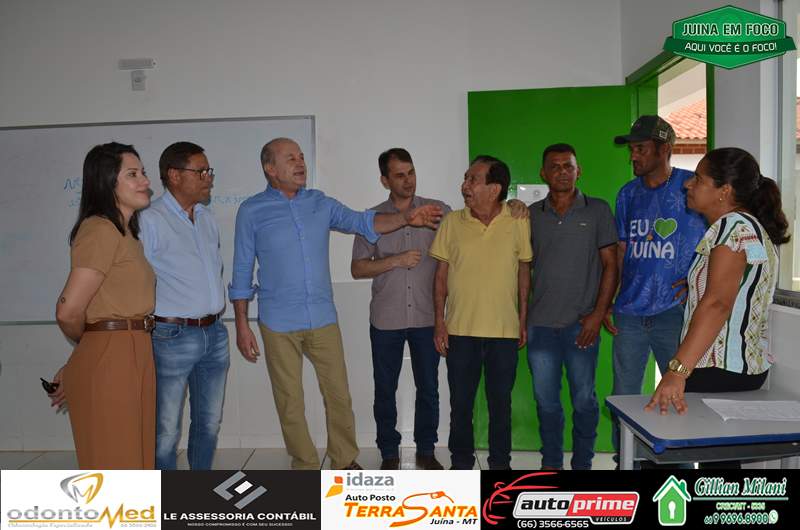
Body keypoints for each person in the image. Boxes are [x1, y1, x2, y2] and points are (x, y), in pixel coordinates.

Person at [230, 137, 442, 470]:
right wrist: (242, 324)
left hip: (322, 316)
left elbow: (363, 222)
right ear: (270, 168)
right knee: (290, 402)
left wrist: (405, 218)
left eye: (301, 156)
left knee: (339, 396)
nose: (300, 163)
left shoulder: (320, 202)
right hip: (277, 320)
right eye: (290, 158)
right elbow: (242, 269)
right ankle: (305, 465)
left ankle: (343, 461)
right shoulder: (251, 211)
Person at [646, 147, 788, 420]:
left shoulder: (731, 227)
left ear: (724, 191)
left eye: (698, 179)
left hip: (716, 369)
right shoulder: (750, 227)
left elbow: (718, 304)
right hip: (742, 369)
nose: (688, 184)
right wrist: (696, 285)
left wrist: (677, 371)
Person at [49, 142, 156, 469]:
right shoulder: (99, 230)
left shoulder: (126, 234)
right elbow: (68, 311)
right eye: (132, 174)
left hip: (135, 348)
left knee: (136, 462)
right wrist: (94, 348)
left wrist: (93, 349)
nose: (145, 181)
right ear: (107, 182)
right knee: (116, 464)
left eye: (143, 173)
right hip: (115, 354)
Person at [609, 116, 707, 454]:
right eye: (632, 149)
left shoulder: (690, 188)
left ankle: (680, 462)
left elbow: (717, 242)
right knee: (624, 397)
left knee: (679, 396)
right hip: (629, 312)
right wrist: (611, 300)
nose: (633, 156)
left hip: (674, 312)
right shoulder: (627, 194)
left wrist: (697, 282)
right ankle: (626, 459)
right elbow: (622, 251)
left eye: (641, 148)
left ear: (665, 149)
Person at [430, 155, 532, 470]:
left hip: (504, 332)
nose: (465, 185)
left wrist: (522, 319)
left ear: (494, 188)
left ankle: (500, 465)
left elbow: (524, 271)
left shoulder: (517, 220)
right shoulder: (452, 222)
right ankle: (461, 464)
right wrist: (439, 322)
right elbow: (440, 276)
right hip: (460, 331)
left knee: (500, 405)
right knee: (460, 405)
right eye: (465, 178)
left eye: (472, 179)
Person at [351, 148, 451, 470]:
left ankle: (426, 450)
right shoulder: (372, 219)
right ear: (385, 180)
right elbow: (357, 268)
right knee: (385, 389)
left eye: (411, 173)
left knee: (429, 388)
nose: (408, 181)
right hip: (386, 319)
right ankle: (389, 453)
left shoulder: (439, 212)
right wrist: (395, 260)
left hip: (427, 317)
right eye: (399, 175)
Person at [526, 143, 618, 470]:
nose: (562, 172)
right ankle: (551, 465)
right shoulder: (531, 215)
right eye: (555, 166)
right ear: (543, 173)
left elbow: (611, 265)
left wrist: (597, 314)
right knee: (546, 403)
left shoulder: (598, 210)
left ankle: (582, 465)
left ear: (579, 171)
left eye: (568, 166)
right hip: (540, 326)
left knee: (583, 400)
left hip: (582, 325)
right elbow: (522, 268)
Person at [139, 142, 229, 470]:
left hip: (214, 333)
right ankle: (165, 495)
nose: (208, 178)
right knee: (165, 430)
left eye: (209, 171)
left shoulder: (206, 218)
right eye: (200, 171)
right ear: (174, 176)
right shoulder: (150, 220)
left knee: (209, 423)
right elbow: (137, 279)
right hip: (171, 336)